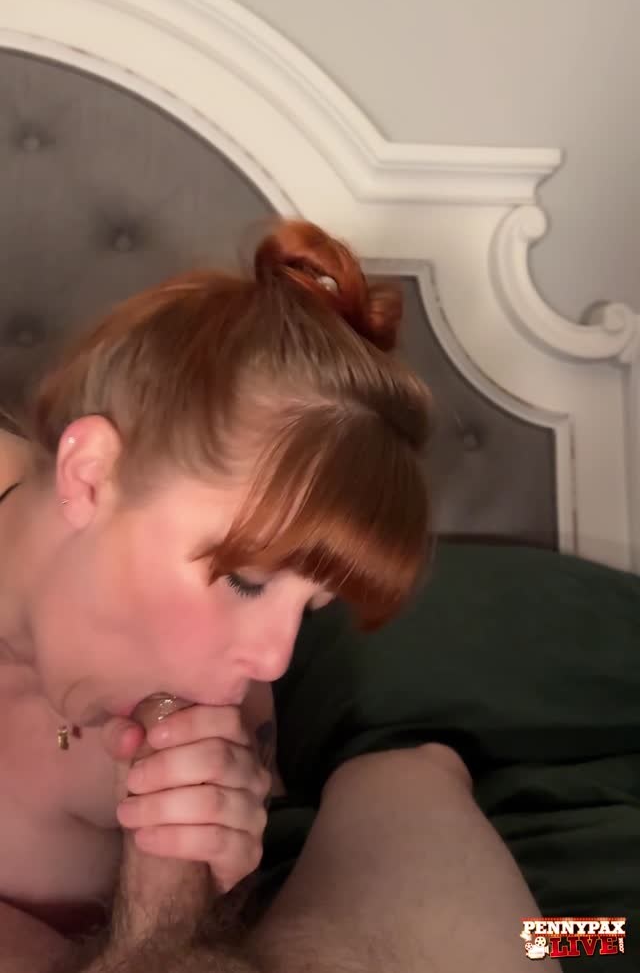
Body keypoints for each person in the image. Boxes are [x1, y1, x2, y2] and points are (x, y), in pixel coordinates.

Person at [0, 219, 545, 972]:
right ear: (90, 475)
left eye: (310, 608)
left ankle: (591, 930)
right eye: (247, 580)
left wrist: (176, 877)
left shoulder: (210, 726)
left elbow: (161, 957)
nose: (272, 660)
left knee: (562, 924)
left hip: (361, 855)